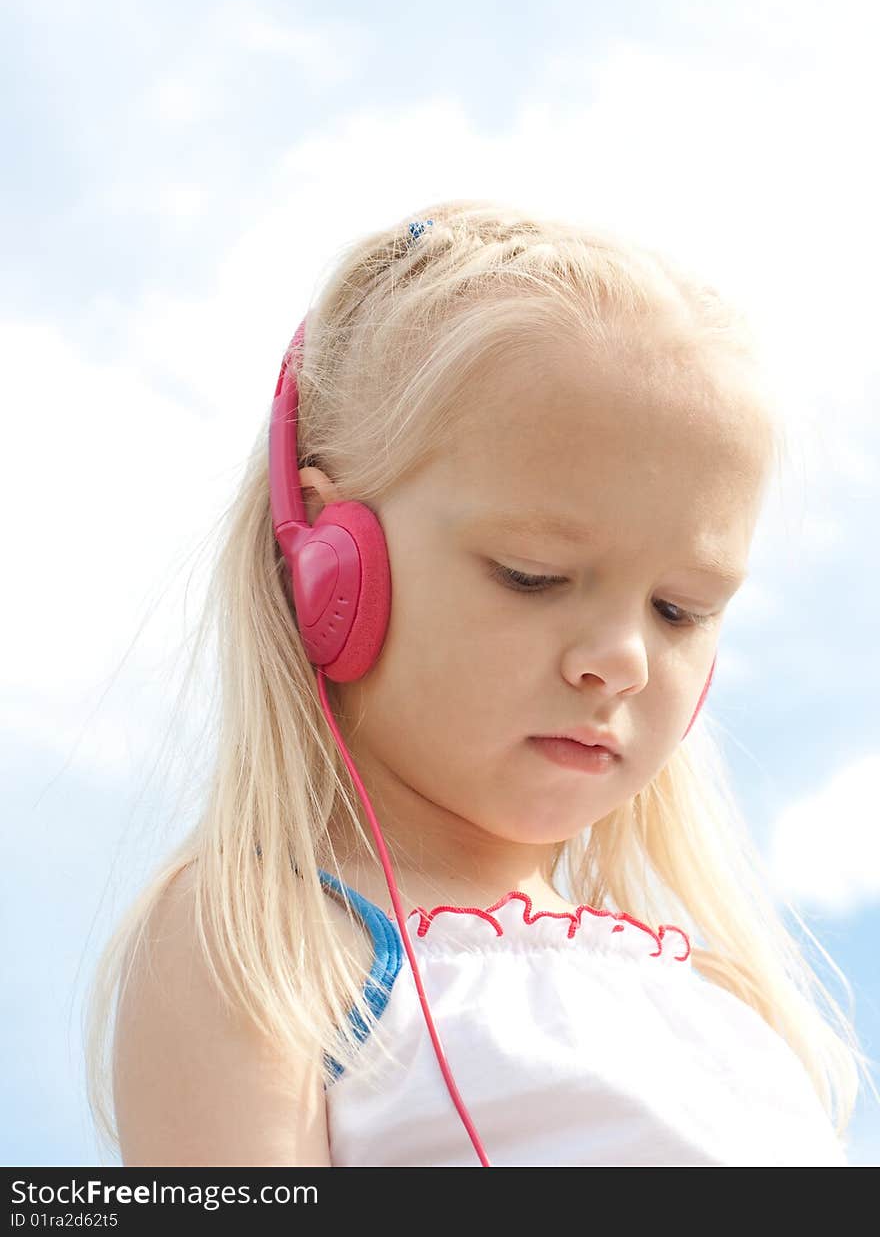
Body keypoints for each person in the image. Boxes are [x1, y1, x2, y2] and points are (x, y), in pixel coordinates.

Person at [86, 200, 875, 1166]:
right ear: (330, 565)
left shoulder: (730, 1010)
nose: (623, 659)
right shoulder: (264, 946)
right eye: (532, 576)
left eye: (680, 610)